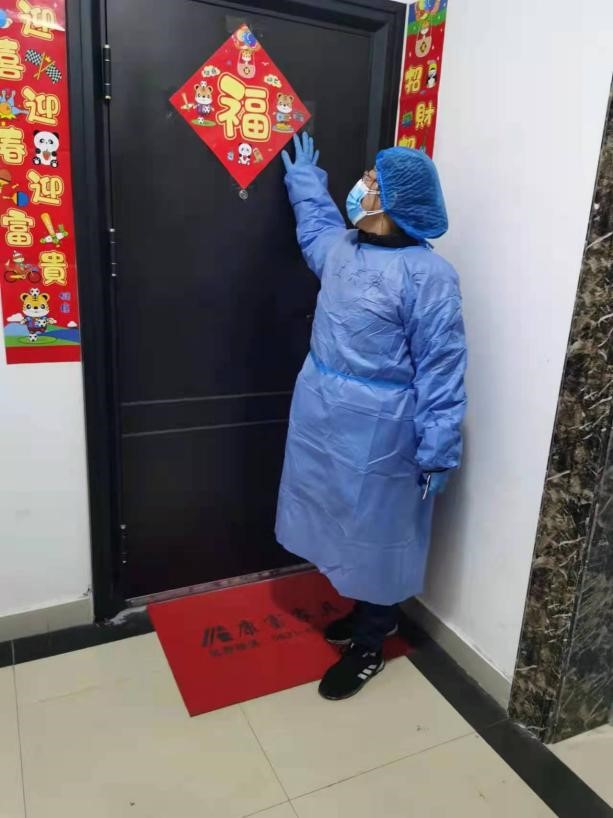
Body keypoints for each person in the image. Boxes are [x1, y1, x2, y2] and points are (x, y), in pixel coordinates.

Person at [277, 133, 467, 700]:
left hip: (383, 427)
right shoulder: (342, 250)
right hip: (322, 413)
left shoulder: (428, 276)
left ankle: (370, 642)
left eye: (371, 181)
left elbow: (442, 367)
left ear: (393, 202)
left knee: (378, 533)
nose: (361, 185)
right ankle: (364, 616)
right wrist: (305, 182)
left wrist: (437, 449)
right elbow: (315, 227)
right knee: (335, 518)